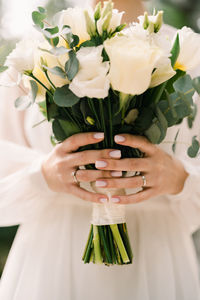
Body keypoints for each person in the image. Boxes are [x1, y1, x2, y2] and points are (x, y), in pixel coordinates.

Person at [0, 0, 200, 299]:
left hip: (157, 256)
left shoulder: (189, 53)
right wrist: (41, 174)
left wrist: (181, 179)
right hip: (51, 258)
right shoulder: (34, 55)